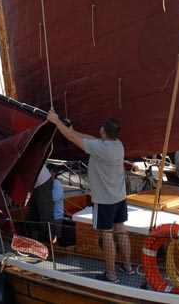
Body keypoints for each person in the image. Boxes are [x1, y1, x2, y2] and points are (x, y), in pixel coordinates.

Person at [47, 110, 133, 283]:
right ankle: (129, 267)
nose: (99, 129)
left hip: (105, 200)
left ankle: (111, 275)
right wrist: (71, 129)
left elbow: (73, 140)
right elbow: (86, 139)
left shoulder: (101, 148)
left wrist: (56, 122)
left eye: (101, 127)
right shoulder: (117, 144)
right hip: (119, 197)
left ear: (104, 131)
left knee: (107, 234)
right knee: (121, 230)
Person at [26, 165, 55, 243]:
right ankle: (35, 240)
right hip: (30, 184)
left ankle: (47, 243)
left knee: (45, 215)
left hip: (42, 182)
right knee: (32, 214)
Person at [47, 163, 64, 241]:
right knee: (50, 237)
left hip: (56, 217)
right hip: (49, 216)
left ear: (53, 173)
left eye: (48, 171)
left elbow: (53, 200)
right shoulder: (49, 184)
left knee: (56, 237)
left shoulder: (56, 185)